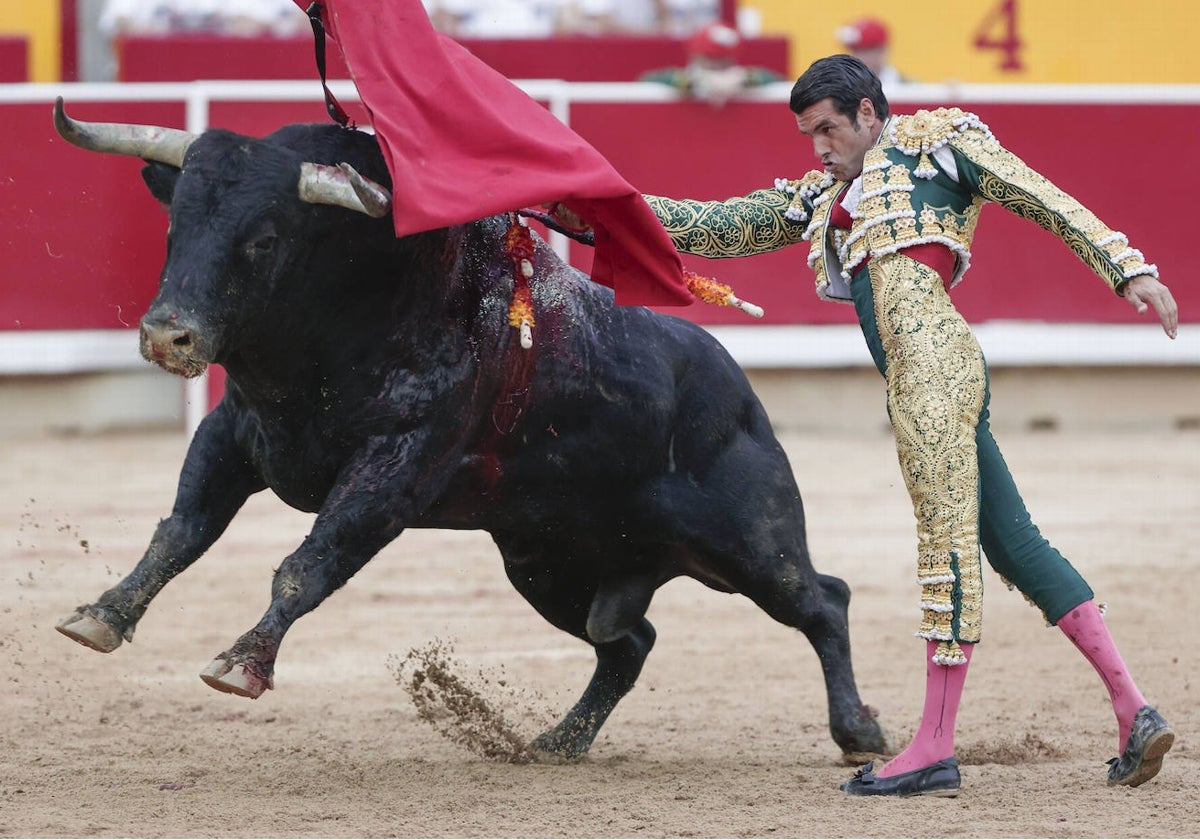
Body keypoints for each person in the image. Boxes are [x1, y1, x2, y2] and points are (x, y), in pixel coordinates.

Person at [563, 54, 1178, 796]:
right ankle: (1133, 707)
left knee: (944, 542)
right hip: (925, 376)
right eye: (808, 134)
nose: (820, 146)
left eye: (829, 128)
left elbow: (1038, 195)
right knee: (1012, 542)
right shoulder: (823, 196)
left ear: (867, 114)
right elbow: (714, 225)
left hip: (933, 368)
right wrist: (592, 207)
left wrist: (1125, 266)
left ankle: (933, 748)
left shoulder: (938, 144)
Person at [640, 21, 787, 107]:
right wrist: (695, 82)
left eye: (724, 58)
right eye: (711, 57)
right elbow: (646, 80)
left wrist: (743, 79)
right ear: (696, 56)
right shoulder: (682, 78)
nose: (718, 64)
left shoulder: (741, 77)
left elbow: (780, 82)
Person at [836, 16, 909, 95]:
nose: (857, 57)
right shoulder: (841, 86)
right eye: (854, 51)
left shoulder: (910, 88)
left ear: (881, 50)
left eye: (864, 50)